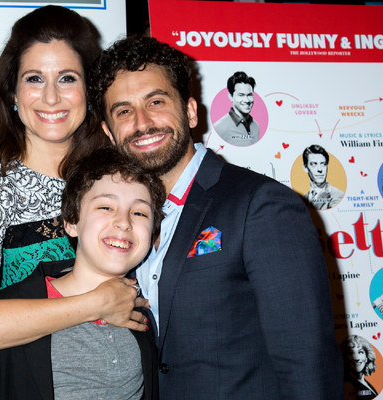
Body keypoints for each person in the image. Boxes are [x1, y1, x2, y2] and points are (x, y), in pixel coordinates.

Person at [89, 35, 344, 399]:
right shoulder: (118, 226)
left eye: (156, 101)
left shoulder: (261, 204)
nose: (142, 123)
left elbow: (308, 363)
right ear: (109, 133)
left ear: (191, 111)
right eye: (124, 111)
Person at [0, 6, 149, 361]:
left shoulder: (124, 176)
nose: (51, 97)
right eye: (34, 78)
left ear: (89, 90)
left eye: (67, 78)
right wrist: (94, 304)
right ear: (12, 94)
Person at [0, 147, 164, 399]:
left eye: (139, 213)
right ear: (71, 222)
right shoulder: (6, 316)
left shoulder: (145, 309)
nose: (124, 222)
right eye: (105, 207)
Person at [213, 71, 260, 146]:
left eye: (249, 95)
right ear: (231, 96)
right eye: (241, 95)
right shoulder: (219, 127)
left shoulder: (255, 126)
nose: (247, 100)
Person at [302, 144, 344, 210]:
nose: (320, 169)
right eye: (314, 164)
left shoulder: (337, 195)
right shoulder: (302, 198)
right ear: (305, 168)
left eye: (323, 164)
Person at [341, 335, 378, 400]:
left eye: (360, 352)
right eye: (351, 353)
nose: (356, 358)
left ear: (367, 357)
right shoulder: (348, 384)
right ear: (345, 358)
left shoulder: (365, 382)